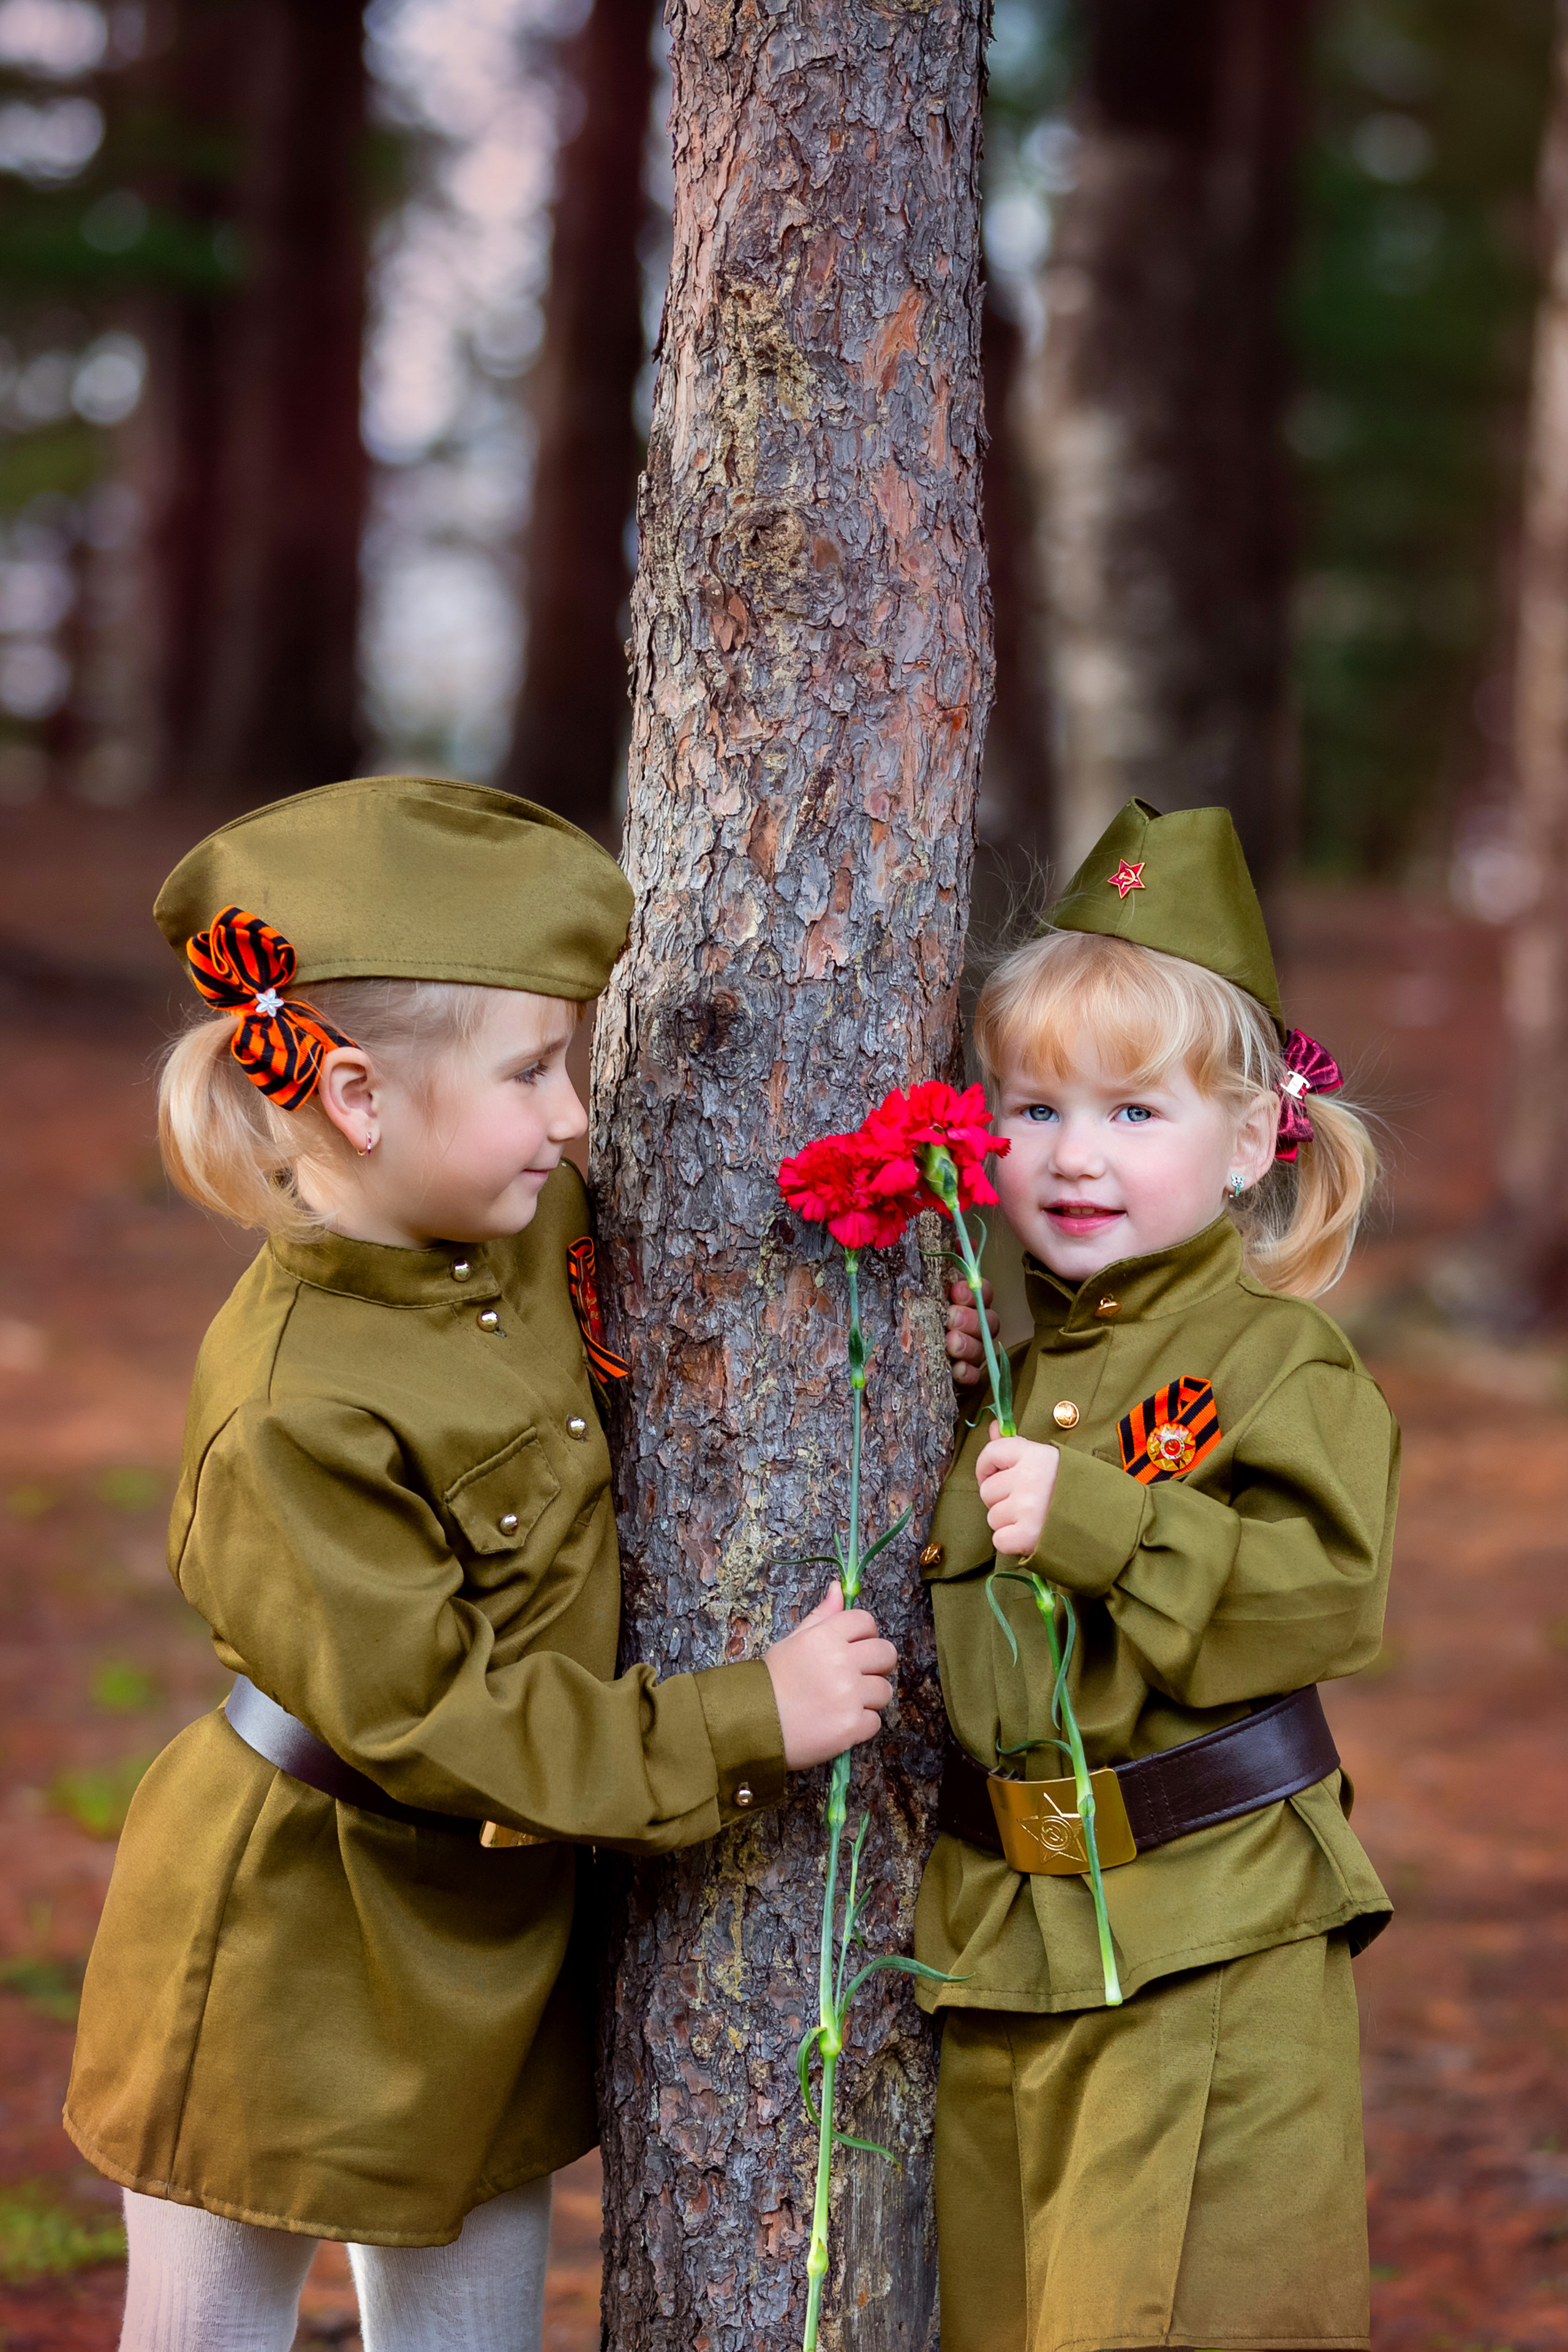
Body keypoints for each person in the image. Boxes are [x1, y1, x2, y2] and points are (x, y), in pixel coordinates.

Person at [64, 775, 898, 2352]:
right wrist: (742, 1716)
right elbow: (446, 1717)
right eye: (532, 1071)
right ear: (362, 1102)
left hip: (492, 1936)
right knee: (206, 2333)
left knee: (468, 2335)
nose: (576, 1113)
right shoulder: (290, 1408)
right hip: (291, 1939)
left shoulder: (522, 1222)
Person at [925, 798, 1396, 2352]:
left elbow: (1327, 1594)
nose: (1070, 1159)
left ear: (1252, 1137)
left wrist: (1107, 1522)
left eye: (1133, 1116)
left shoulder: (1277, 1362)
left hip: (1208, 1946)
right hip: (1001, 1948)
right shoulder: (987, 1350)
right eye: (1031, 1109)